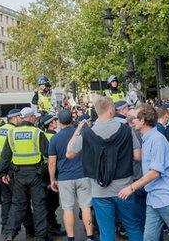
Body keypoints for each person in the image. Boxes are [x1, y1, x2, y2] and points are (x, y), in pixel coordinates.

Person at [66, 96, 143, 241]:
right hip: (124, 187)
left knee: (106, 232)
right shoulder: (126, 130)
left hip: (99, 190)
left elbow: (69, 153)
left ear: (96, 111)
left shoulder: (88, 133)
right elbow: (138, 156)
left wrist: (78, 131)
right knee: (132, 226)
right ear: (112, 109)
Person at [118, 104, 169, 241]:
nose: (132, 121)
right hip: (154, 198)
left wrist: (131, 187)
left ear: (143, 120)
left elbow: (155, 172)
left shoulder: (157, 139)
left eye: (135, 118)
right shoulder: (149, 138)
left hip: (168, 198)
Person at [0, 107, 50, 241]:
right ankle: (41, 236)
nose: (36, 119)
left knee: (18, 204)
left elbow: (5, 155)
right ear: (31, 117)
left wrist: (3, 173)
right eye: (35, 117)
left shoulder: (12, 133)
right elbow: (48, 153)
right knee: (39, 205)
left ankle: (10, 233)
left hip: (18, 174)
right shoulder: (37, 132)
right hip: (35, 174)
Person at [48, 110, 94, 241]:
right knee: (86, 207)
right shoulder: (81, 134)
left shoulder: (55, 138)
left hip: (64, 178)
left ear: (59, 121)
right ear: (72, 119)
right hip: (83, 175)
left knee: (67, 209)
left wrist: (52, 179)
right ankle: (90, 236)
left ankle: (71, 238)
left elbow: (52, 162)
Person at [0, 109, 34, 237]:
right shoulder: (14, 132)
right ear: (16, 118)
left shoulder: (0, 129)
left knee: (6, 200)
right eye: (20, 118)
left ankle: (5, 227)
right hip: (12, 170)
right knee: (22, 200)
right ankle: (29, 228)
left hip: (1, 169)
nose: (22, 120)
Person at [40, 114, 65, 236]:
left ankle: (49, 224)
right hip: (53, 172)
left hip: (44, 172)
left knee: (47, 201)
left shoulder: (42, 134)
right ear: (50, 123)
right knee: (52, 202)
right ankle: (51, 226)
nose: (56, 122)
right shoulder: (54, 136)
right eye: (55, 120)